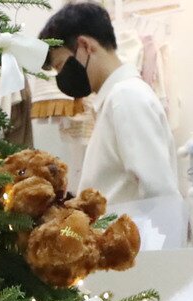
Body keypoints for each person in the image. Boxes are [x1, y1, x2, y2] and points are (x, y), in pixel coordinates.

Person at [40, 2, 181, 205]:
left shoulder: (127, 98)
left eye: (61, 65)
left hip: (129, 236)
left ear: (86, 46)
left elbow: (159, 194)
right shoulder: (116, 99)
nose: (61, 77)